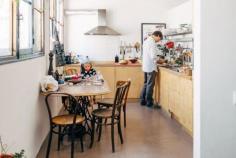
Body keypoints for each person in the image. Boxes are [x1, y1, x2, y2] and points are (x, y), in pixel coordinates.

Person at [140, 31, 164, 108]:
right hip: (150, 67)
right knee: (150, 85)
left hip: (146, 66)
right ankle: (149, 102)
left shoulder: (146, 41)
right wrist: (161, 61)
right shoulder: (152, 42)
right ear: (157, 35)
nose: (159, 41)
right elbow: (153, 56)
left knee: (146, 83)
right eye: (159, 39)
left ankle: (142, 100)